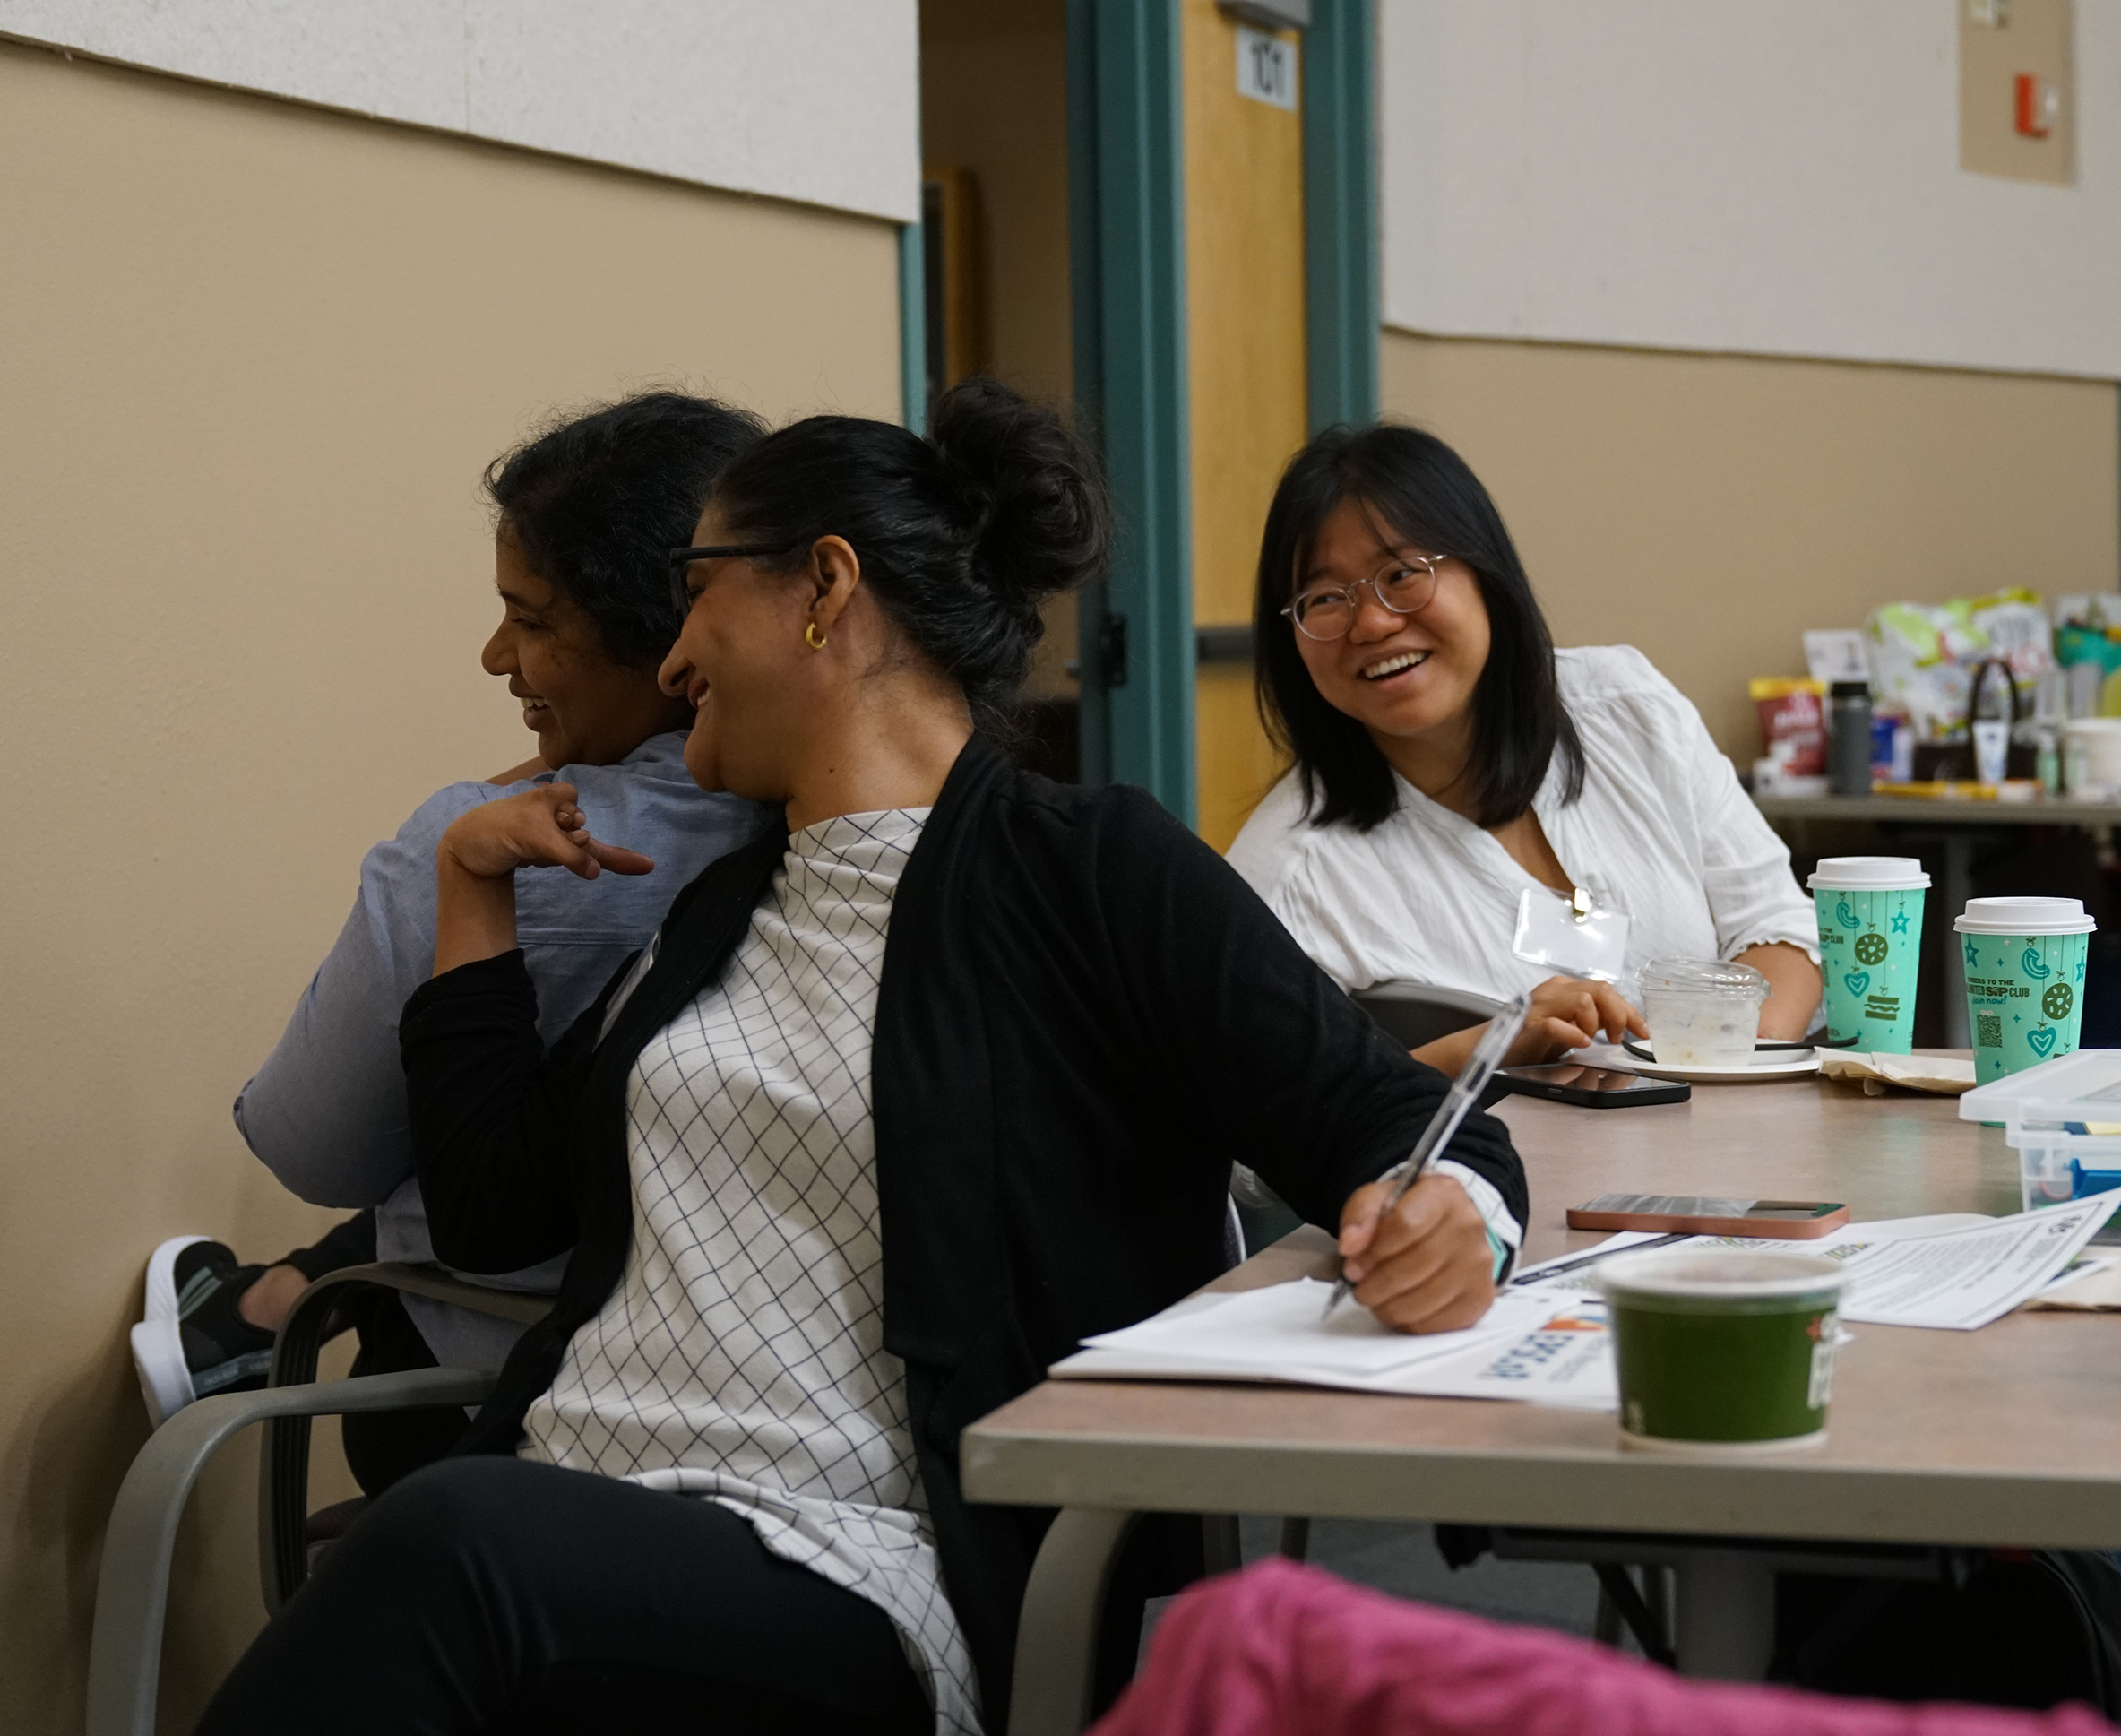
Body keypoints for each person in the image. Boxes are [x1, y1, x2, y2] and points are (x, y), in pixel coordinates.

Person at [194, 379, 1530, 1736]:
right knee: (457, 1549)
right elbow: (495, 1206)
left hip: (862, 1557)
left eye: (693, 592)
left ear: (821, 590)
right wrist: (466, 890)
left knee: (445, 1548)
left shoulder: (1087, 873)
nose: (667, 662)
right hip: (580, 1496)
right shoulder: (721, 906)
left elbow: (1412, 1130)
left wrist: (1447, 1213)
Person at [131, 393, 774, 1496]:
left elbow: (310, 1143)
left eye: (531, 620)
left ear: (674, 646)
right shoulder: (842, 827)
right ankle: (269, 1294)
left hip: (498, 1389)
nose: (495, 655)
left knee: (406, 1140)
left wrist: (465, 828)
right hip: (763, 1390)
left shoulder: (494, 848)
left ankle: (266, 1303)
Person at [1226, 424, 1822, 1072]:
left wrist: (1716, 1077)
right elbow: (1261, 1109)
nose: (1371, 622)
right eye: (1324, 599)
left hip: (1741, 1155)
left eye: (1401, 574)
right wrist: (1488, 1047)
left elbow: (1779, 927)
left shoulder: (1626, 707)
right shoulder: (1287, 874)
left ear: (1482, 569)